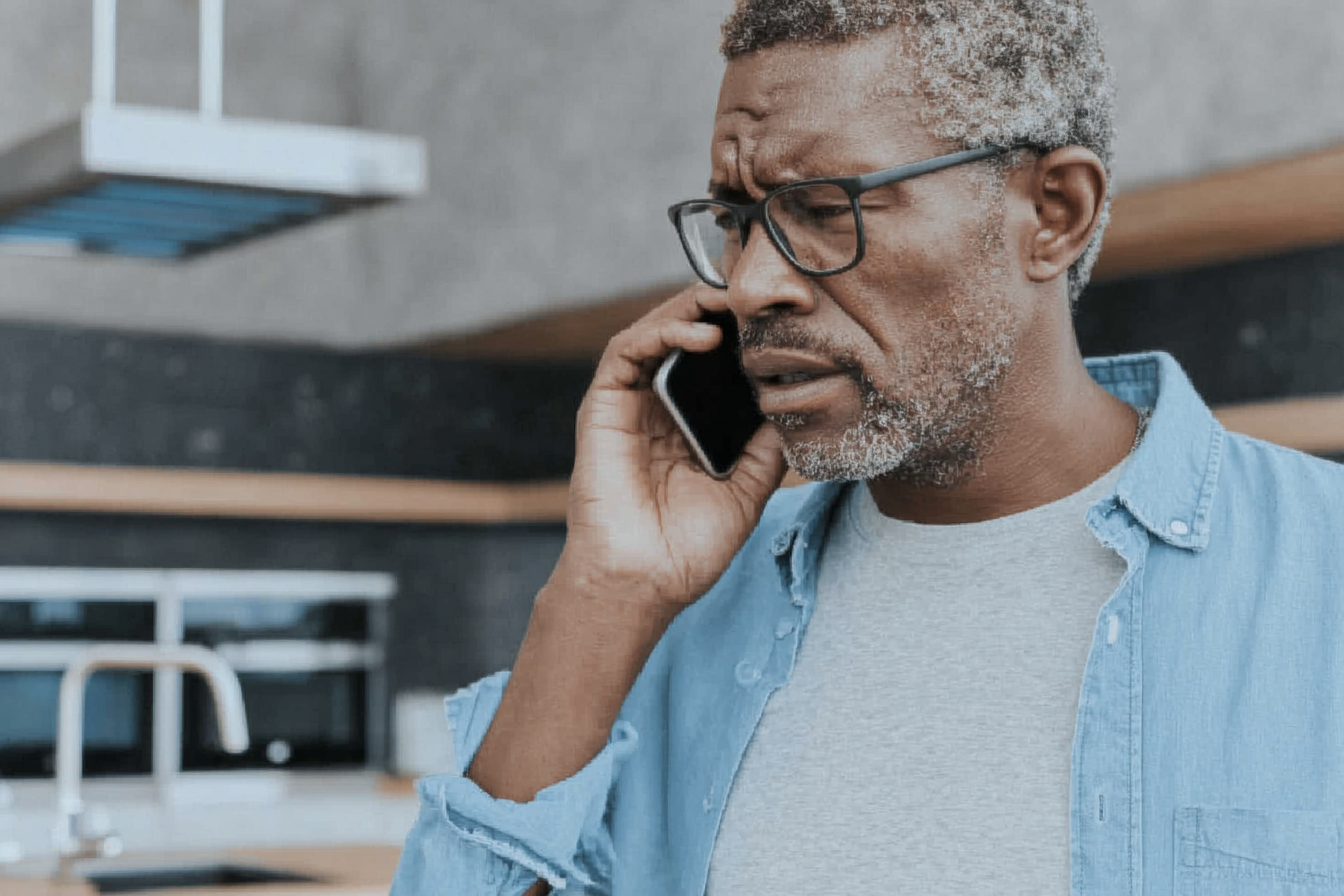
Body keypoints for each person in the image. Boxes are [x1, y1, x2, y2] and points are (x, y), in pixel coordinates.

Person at [392, 2, 1344, 894]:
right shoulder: (672, 622)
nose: (753, 283)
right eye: (737, 222)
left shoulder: (1320, 571)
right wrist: (602, 597)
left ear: (1053, 213)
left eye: (824, 206)